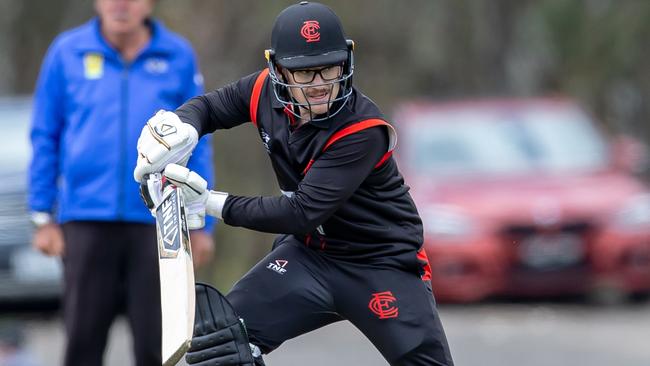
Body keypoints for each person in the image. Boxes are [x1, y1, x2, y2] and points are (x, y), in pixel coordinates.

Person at [135, 2, 454, 365]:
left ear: (346, 61)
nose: (320, 84)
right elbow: (209, 108)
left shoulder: (362, 131)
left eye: (328, 68)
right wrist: (180, 127)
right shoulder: (261, 91)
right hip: (310, 256)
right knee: (221, 345)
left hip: (380, 264)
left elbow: (298, 212)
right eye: (304, 73)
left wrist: (207, 203)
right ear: (278, 70)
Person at [28, 0, 215, 365]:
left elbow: (199, 140)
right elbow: (45, 134)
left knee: (158, 343)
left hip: (160, 221)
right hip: (85, 219)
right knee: (83, 339)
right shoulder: (67, 52)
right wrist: (42, 215)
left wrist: (202, 223)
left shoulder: (177, 55)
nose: (121, 4)